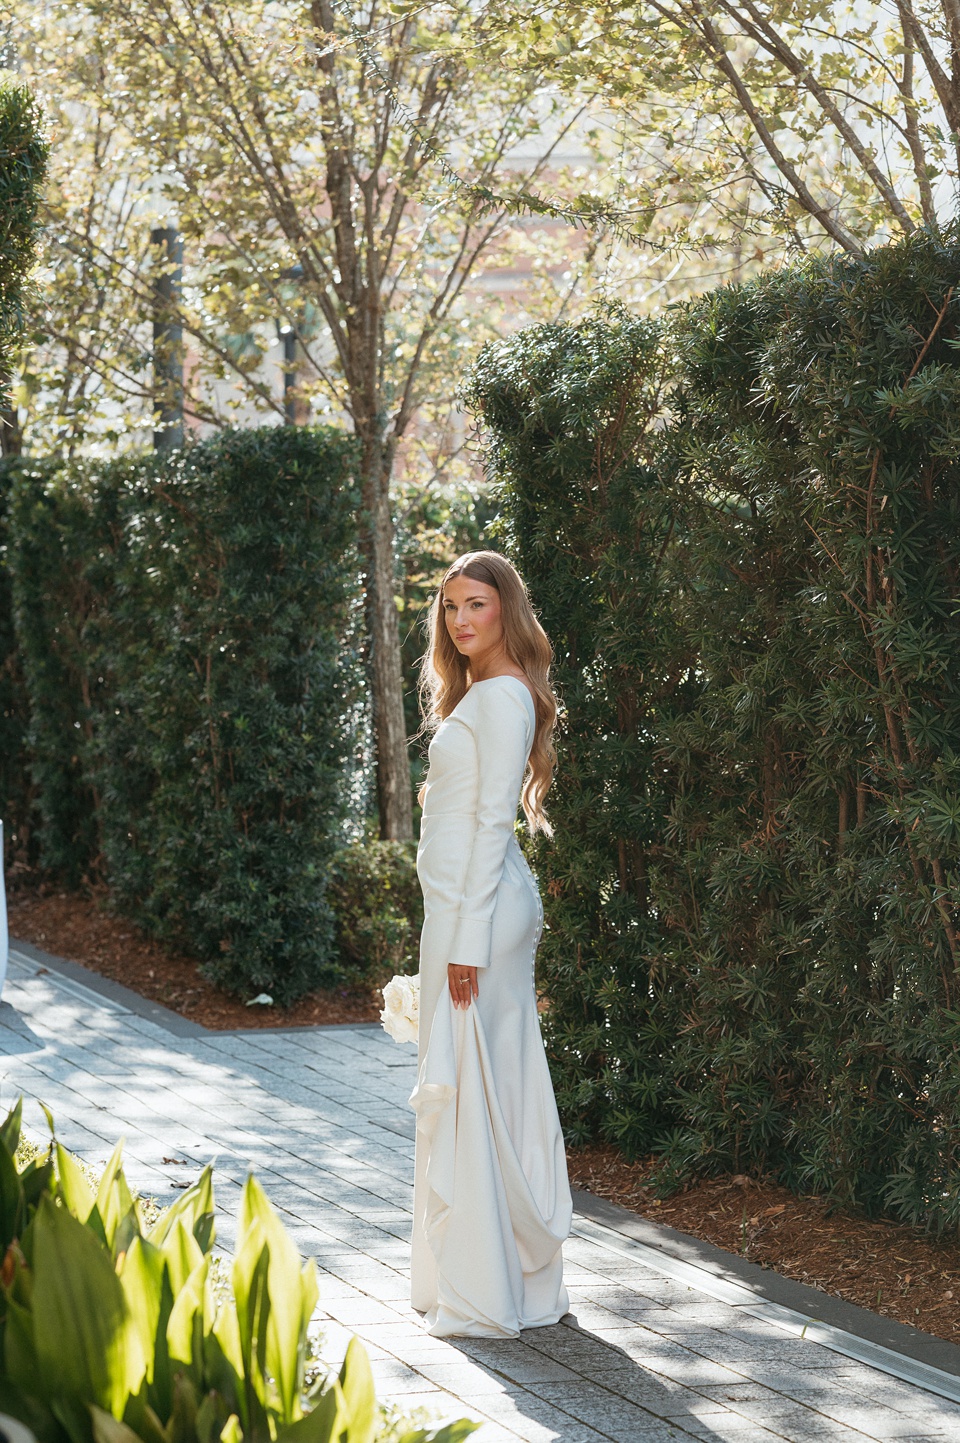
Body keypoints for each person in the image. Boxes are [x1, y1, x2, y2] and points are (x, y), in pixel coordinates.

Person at [409, 549, 572, 1338]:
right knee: (478, 1080)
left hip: (479, 920)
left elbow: (489, 823)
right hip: (463, 910)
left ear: (507, 607)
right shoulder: (481, 692)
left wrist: (465, 939)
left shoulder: (504, 697)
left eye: (476, 603)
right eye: (449, 607)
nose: (461, 619)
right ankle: (486, 1270)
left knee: (478, 1083)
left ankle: (490, 1284)